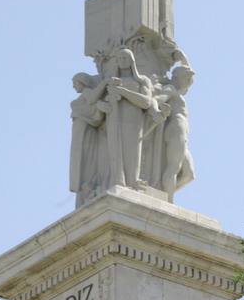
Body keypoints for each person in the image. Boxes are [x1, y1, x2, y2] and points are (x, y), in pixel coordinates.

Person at [100, 49, 153, 190]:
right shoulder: (111, 82)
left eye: (126, 58)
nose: (123, 60)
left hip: (133, 121)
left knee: (133, 153)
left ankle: (133, 182)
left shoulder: (142, 81)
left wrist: (122, 91)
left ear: (131, 61)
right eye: (120, 58)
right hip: (114, 120)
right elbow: (99, 101)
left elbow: (146, 102)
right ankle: (119, 181)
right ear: (116, 61)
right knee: (115, 151)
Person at [69, 73, 108, 207]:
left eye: (75, 83)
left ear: (83, 82)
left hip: (86, 130)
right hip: (80, 131)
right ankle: (84, 191)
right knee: (81, 161)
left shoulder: (86, 92)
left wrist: (105, 82)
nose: (74, 86)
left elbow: (92, 100)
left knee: (86, 161)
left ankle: (88, 188)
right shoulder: (84, 95)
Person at [158, 65, 195, 202]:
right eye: (187, 76)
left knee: (189, 174)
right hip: (176, 128)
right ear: (177, 77)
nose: (189, 79)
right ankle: (168, 201)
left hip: (182, 132)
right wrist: (159, 107)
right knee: (174, 167)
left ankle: (163, 192)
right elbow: (157, 100)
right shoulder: (170, 89)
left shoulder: (177, 92)